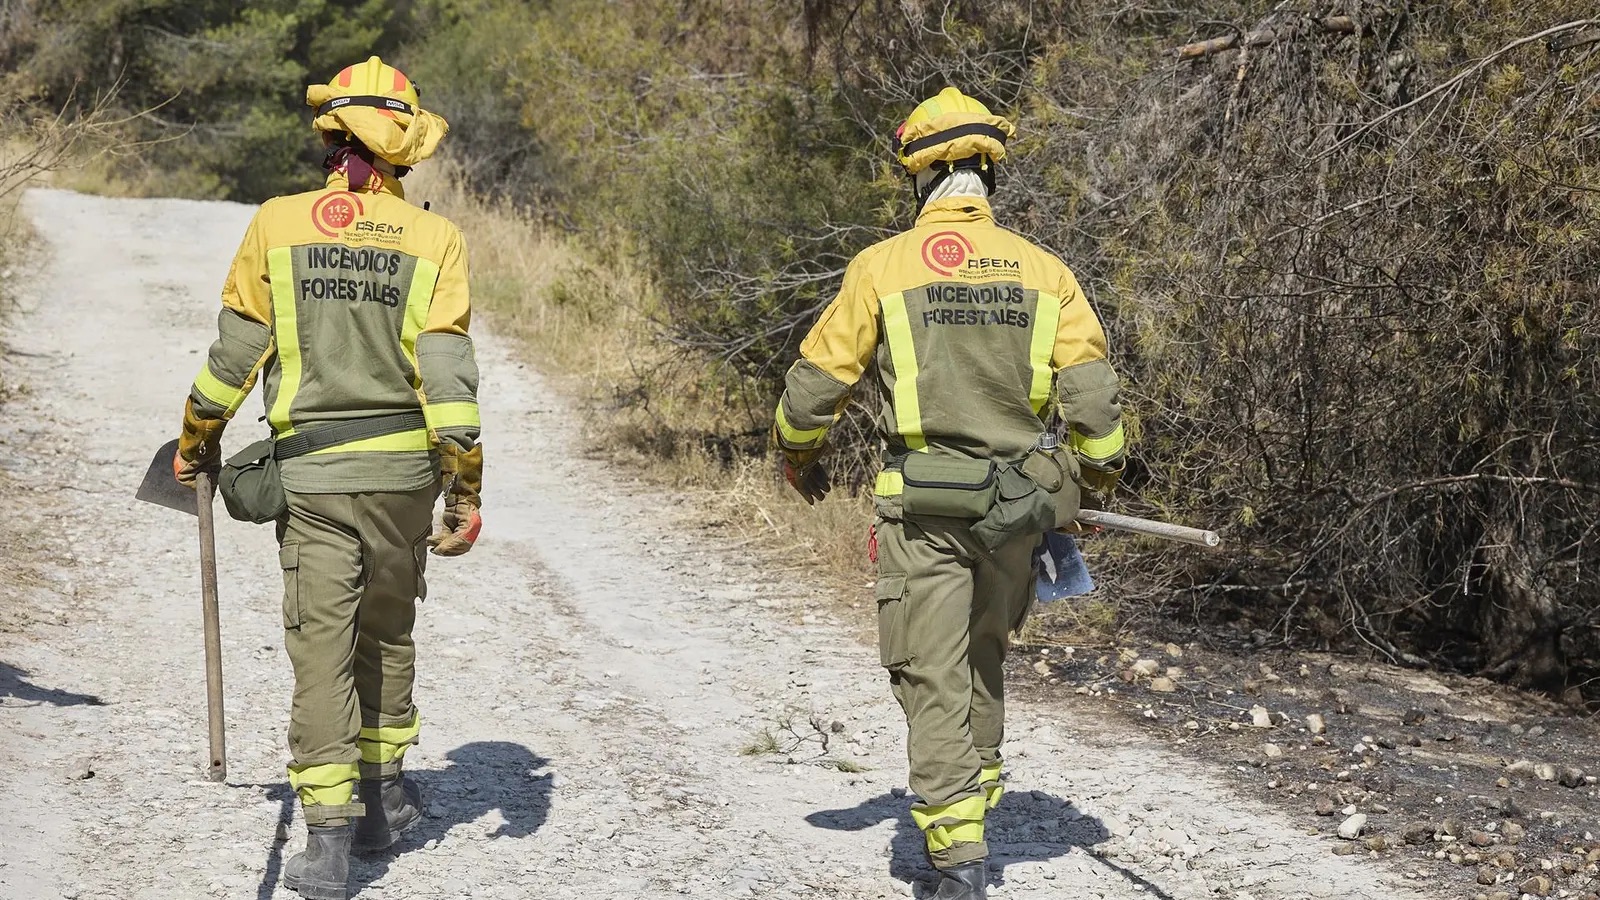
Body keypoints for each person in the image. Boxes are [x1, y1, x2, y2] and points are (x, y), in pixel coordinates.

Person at [772, 87, 1125, 899]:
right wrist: (1094, 486)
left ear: (918, 177)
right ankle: (977, 787)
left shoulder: (882, 269)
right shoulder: (1045, 271)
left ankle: (956, 854)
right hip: (1020, 507)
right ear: (987, 175)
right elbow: (1097, 407)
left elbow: (813, 389)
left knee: (929, 667)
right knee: (984, 653)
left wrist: (798, 455)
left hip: (925, 510)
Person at [171, 56, 483, 900]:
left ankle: (327, 845)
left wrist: (197, 438)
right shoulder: (435, 239)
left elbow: (235, 356)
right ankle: (383, 806)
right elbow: (450, 382)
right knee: (386, 636)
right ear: (404, 152)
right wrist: (465, 490)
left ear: (329, 136)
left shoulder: (276, 225)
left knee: (321, 654)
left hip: (312, 483)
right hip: (405, 480)